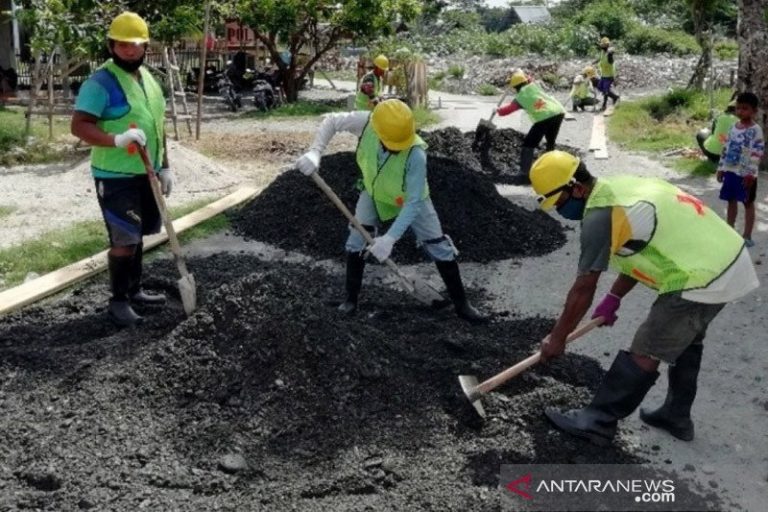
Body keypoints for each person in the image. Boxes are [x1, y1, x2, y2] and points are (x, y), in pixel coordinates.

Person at [529, 151, 758, 446]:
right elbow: (641, 249)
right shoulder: (618, 188)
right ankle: (676, 416)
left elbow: (584, 287)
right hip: (726, 259)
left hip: (704, 273)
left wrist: (557, 337)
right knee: (686, 340)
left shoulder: (601, 214)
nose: (560, 210)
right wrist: (614, 297)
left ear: (576, 187)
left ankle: (597, 420)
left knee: (649, 344)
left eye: (559, 202)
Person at [294, 99, 487, 324]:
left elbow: (413, 202)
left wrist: (390, 239)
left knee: (438, 244)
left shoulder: (416, 154)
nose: (396, 149)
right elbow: (331, 121)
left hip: (411, 198)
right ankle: (350, 300)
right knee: (358, 237)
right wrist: (315, 152)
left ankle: (462, 305)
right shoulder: (366, 122)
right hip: (374, 192)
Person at [71, 12, 173, 327]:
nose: (130, 50)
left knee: (139, 235)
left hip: (146, 173)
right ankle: (117, 302)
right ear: (112, 45)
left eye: (136, 45)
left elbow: (158, 127)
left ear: (145, 46)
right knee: (124, 239)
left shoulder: (150, 80)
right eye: (123, 44)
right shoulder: (100, 82)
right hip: (115, 177)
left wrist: (164, 166)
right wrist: (116, 139)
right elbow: (79, 126)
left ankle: (135, 291)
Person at [716, 92, 764, 248]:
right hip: (731, 170)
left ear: (754, 111)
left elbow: (757, 152)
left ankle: (747, 235)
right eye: (738, 108)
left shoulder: (756, 130)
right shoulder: (733, 127)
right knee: (731, 201)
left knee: (748, 202)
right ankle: (729, 231)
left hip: (746, 174)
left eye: (745, 109)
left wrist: (751, 173)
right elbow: (726, 148)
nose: (740, 112)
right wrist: (721, 168)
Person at [496, 69, 566, 176]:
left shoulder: (520, 98)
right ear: (526, 81)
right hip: (558, 112)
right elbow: (529, 78)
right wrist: (519, 74)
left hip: (545, 117)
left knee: (528, 144)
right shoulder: (534, 86)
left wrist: (497, 110)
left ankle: (524, 172)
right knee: (550, 141)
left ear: (515, 87)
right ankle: (552, 167)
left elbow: (507, 110)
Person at [696, 100, 738, 165]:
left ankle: (712, 158)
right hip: (731, 157)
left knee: (701, 134)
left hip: (713, 154)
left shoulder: (719, 117)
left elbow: (713, 133)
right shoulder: (741, 122)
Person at [594, 37, 620, 110]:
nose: (602, 46)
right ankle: (615, 97)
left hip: (609, 76)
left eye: (603, 45)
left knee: (605, 90)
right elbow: (600, 58)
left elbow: (612, 52)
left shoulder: (609, 55)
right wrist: (594, 62)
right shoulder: (602, 52)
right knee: (600, 87)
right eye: (601, 45)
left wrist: (610, 53)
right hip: (603, 75)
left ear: (607, 46)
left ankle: (604, 105)